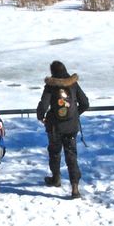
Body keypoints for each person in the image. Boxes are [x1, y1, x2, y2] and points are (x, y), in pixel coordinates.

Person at [36, 60, 89, 198]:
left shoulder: (50, 86)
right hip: (71, 127)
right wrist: (75, 114)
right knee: (71, 155)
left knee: (54, 152)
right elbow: (85, 103)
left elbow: (43, 105)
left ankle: (56, 178)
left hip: (55, 127)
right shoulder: (73, 83)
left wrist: (41, 116)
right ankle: (75, 188)